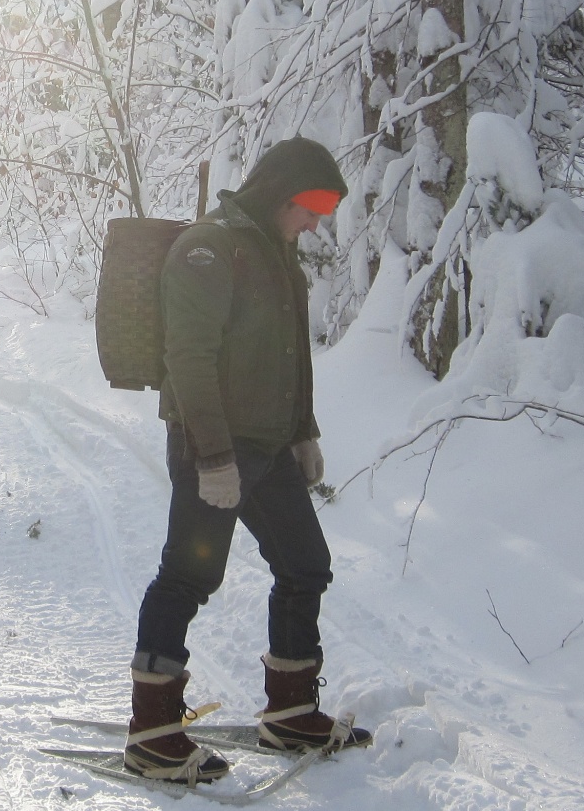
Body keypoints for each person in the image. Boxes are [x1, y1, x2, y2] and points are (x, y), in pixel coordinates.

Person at [123, 137, 371, 784]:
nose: (317, 222)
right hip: (215, 446)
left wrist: (303, 431)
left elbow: (291, 351)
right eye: (313, 206)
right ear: (280, 191)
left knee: (305, 564)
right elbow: (189, 359)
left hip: (266, 447)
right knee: (187, 576)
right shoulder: (210, 248)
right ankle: (151, 732)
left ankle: (290, 710)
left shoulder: (277, 250)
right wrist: (212, 456)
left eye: (325, 210)